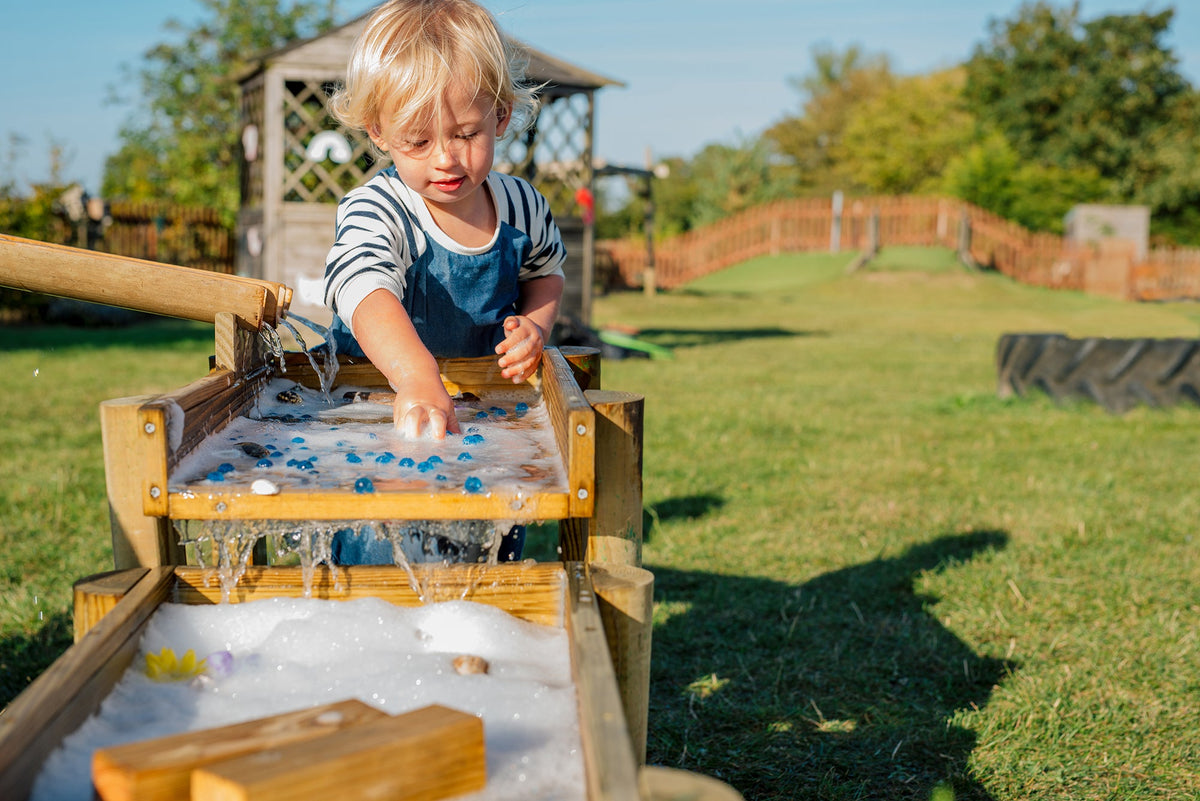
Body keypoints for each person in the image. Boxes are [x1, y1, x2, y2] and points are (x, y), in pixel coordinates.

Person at [322, 0, 566, 565]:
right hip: (377, 416)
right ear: (379, 131)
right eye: (419, 141)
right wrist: (414, 375)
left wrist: (533, 325)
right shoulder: (379, 208)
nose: (448, 159)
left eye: (466, 133)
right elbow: (362, 287)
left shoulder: (520, 206)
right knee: (379, 558)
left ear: (501, 116)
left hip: (482, 416)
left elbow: (546, 274)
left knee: (484, 559)